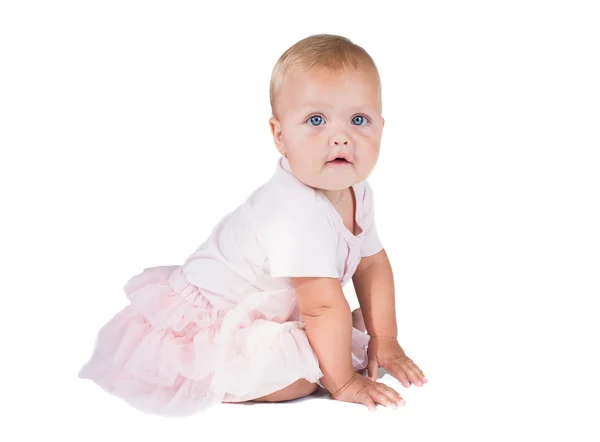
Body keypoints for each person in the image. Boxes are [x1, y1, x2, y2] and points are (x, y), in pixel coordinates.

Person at [78, 33, 427, 417]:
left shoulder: (357, 190)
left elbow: (372, 263)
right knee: (297, 377)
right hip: (217, 322)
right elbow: (322, 305)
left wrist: (385, 338)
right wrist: (342, 382)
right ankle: (222, 373)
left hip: (294, 306)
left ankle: (316, 352)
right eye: (316, 120)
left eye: (358, 120)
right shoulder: (295, 211)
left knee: (335, 338)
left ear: (381, 127)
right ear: (280, 135)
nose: (340, 138)